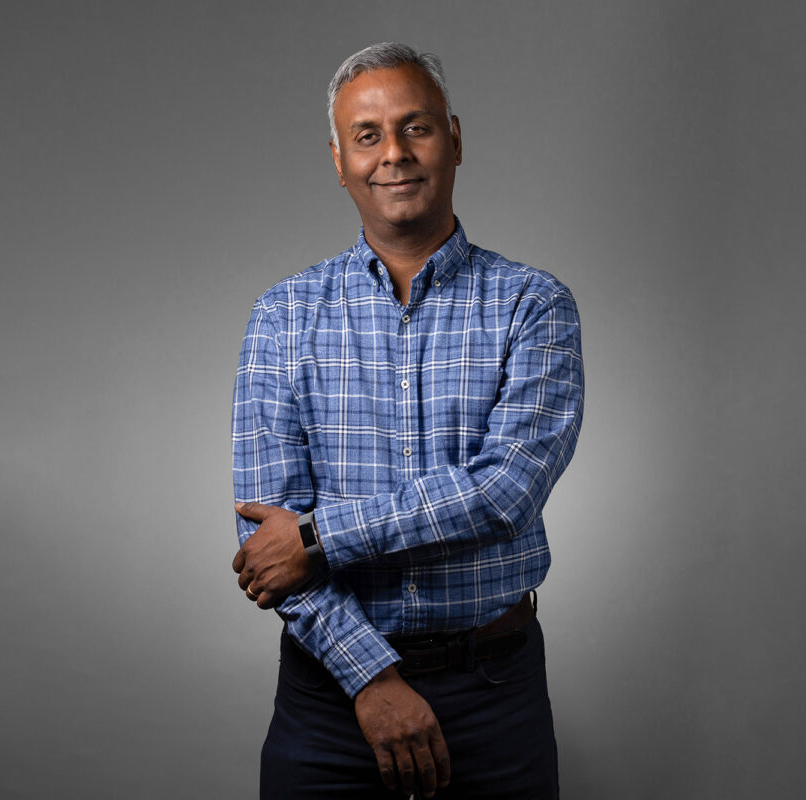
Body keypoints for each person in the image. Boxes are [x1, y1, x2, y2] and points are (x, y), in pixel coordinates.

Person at [231, 42, 583, 799]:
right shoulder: (282, 317)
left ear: (454, 139)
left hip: (494, 694)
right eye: (367, 135)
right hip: (327, 697)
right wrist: (371, 678)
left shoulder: (534, 305)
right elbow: (265, 534)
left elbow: (504, 492)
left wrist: (320, 536)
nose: (393, 154)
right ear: (338, 161)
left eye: (415, 128)